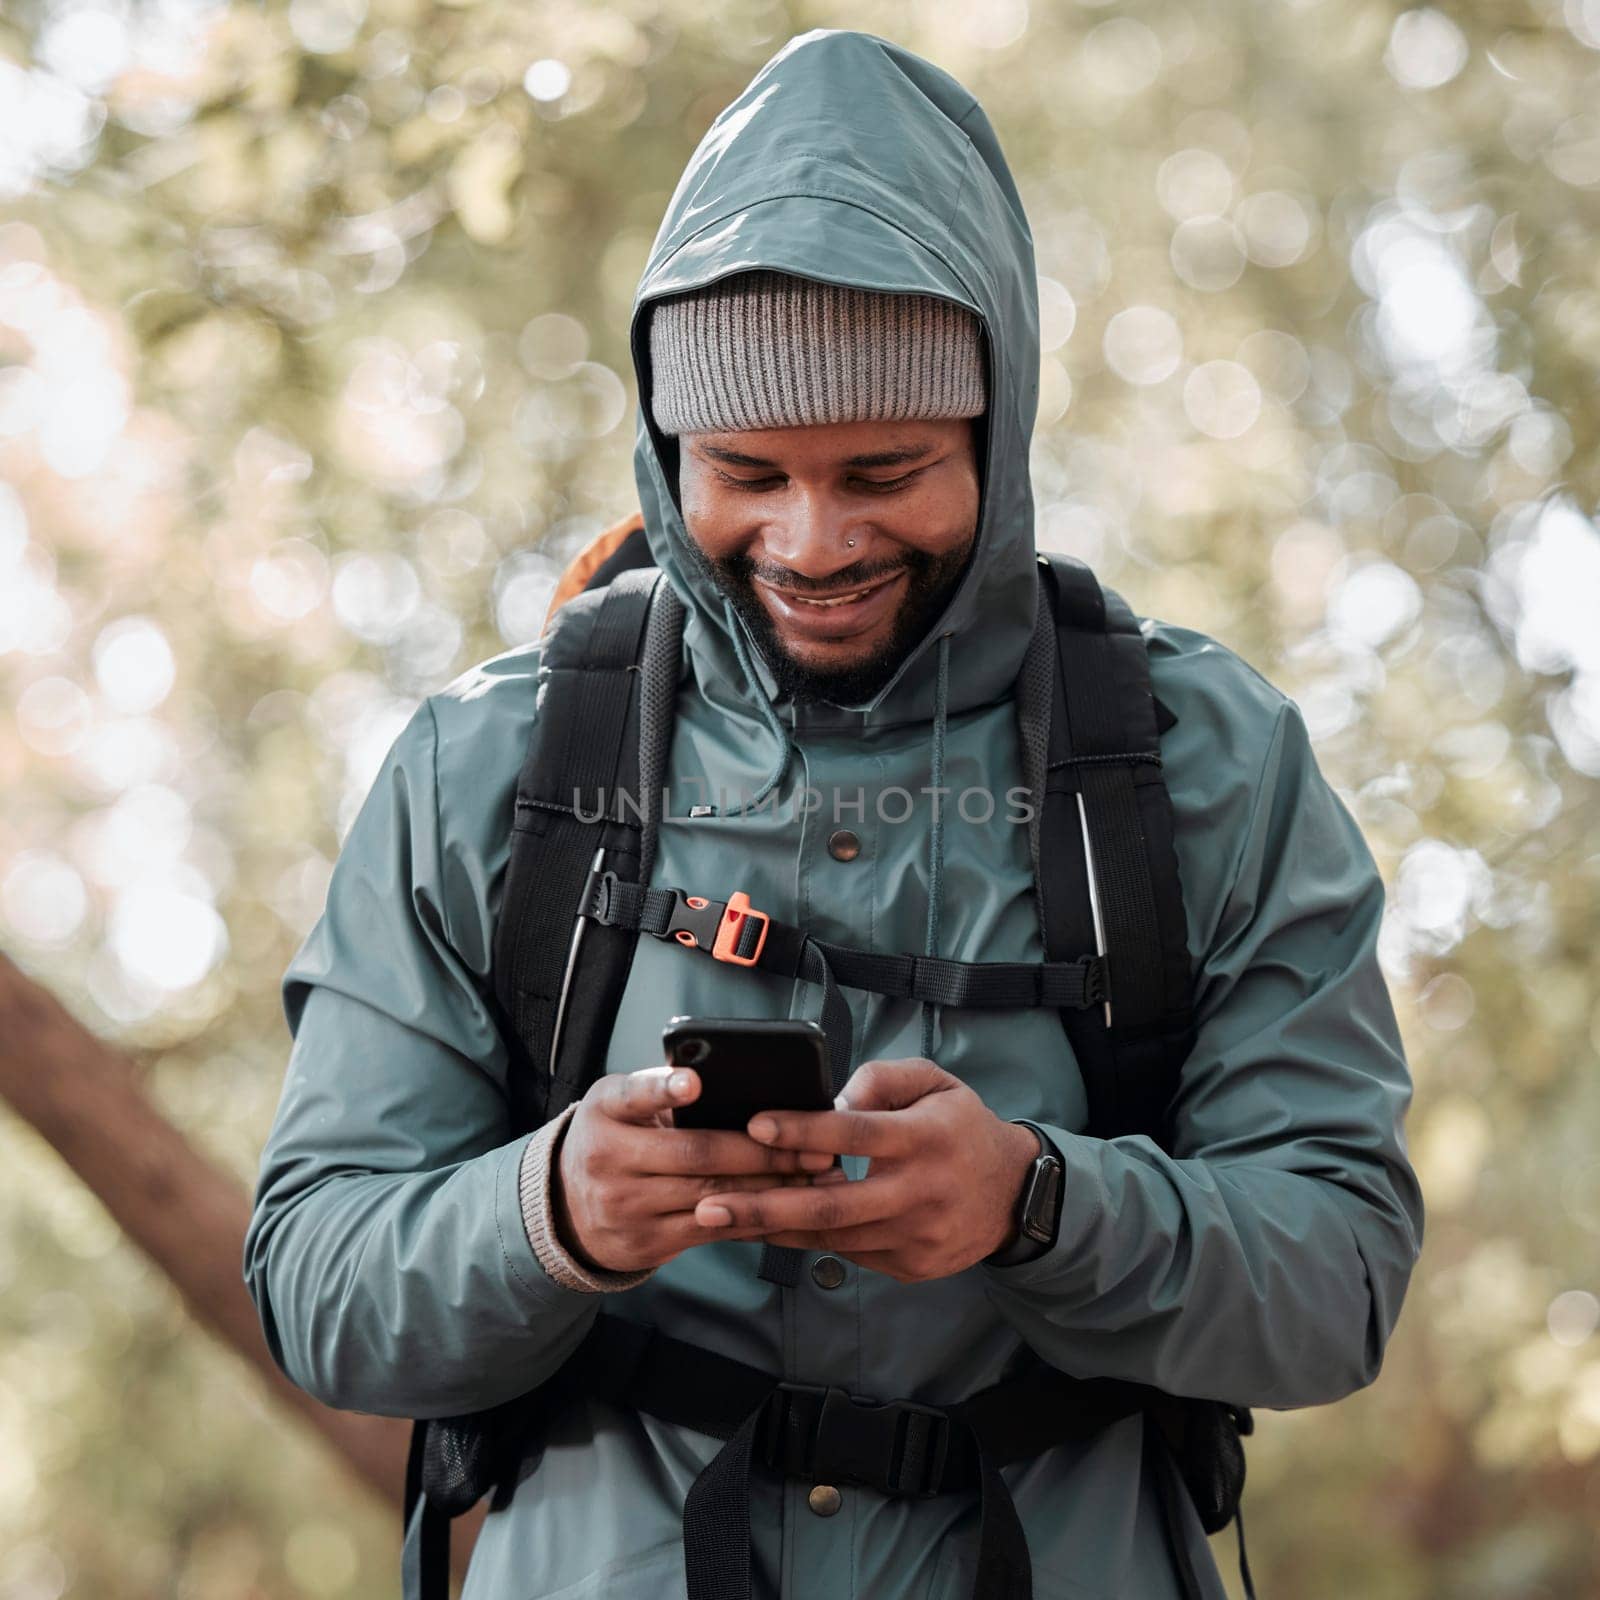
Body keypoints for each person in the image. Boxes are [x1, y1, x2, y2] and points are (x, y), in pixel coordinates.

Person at [243, 27, 1424, 1600]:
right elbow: (318, 1285)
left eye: (886, 468)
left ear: (995, 440)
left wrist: (1042, 1205)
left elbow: (1339, 1279)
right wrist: (551, 1212)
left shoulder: (1204, 762)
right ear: (667, 456)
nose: (812, 539)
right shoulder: (492, 767)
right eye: (743, 470)